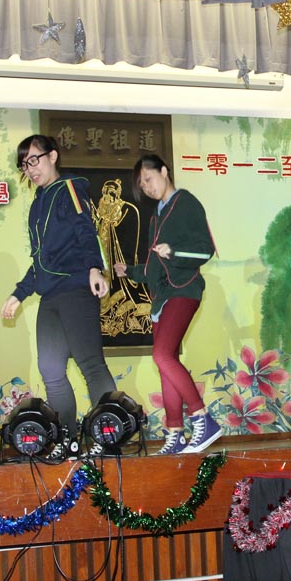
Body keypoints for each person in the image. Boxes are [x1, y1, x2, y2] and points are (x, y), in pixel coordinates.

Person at [1, 135, 116, 458]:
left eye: (34, 160)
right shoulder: (38, 204)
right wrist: (19, 294)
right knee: (51, 370)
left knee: (90, 364)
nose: (30, 169)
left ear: (52, 156)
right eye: (24, 165)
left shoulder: (69, 188)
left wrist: (94, 268)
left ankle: (110, 435)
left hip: (76, 288)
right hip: (50, 296)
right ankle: (68, 441)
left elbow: (85, 229)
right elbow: (40, 259)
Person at [113, 154, 221, 455]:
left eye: (148, 179)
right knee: (165, 363)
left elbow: (205, 251)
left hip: (184, 290)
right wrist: (130, 271)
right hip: (162, 298)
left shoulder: (186, 203)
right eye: (142, 185)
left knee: (161, 355)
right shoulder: (155, 216)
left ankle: (202, 419)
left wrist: (173, 251)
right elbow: (153, 267)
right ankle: (175, 434)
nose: (147, 187)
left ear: (164, 171)